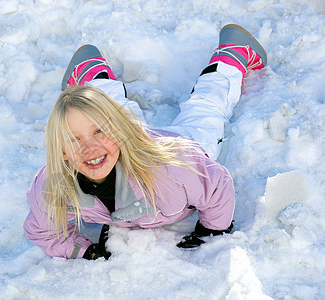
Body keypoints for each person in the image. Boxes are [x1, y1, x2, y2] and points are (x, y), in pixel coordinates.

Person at [24, 24, 267, 259]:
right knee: (109, 113)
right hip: (125, 143)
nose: (90, 148)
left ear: (119, 131)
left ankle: (233, 52)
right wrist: (85, 250)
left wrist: (212, 230)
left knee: (206, 110)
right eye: (74, 140)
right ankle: (91, 70)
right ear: (62, 152)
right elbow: (46, 232)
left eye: (99, 132)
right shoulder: (53, 188)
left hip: (171, 146)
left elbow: (217, 186)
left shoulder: (177, 168)